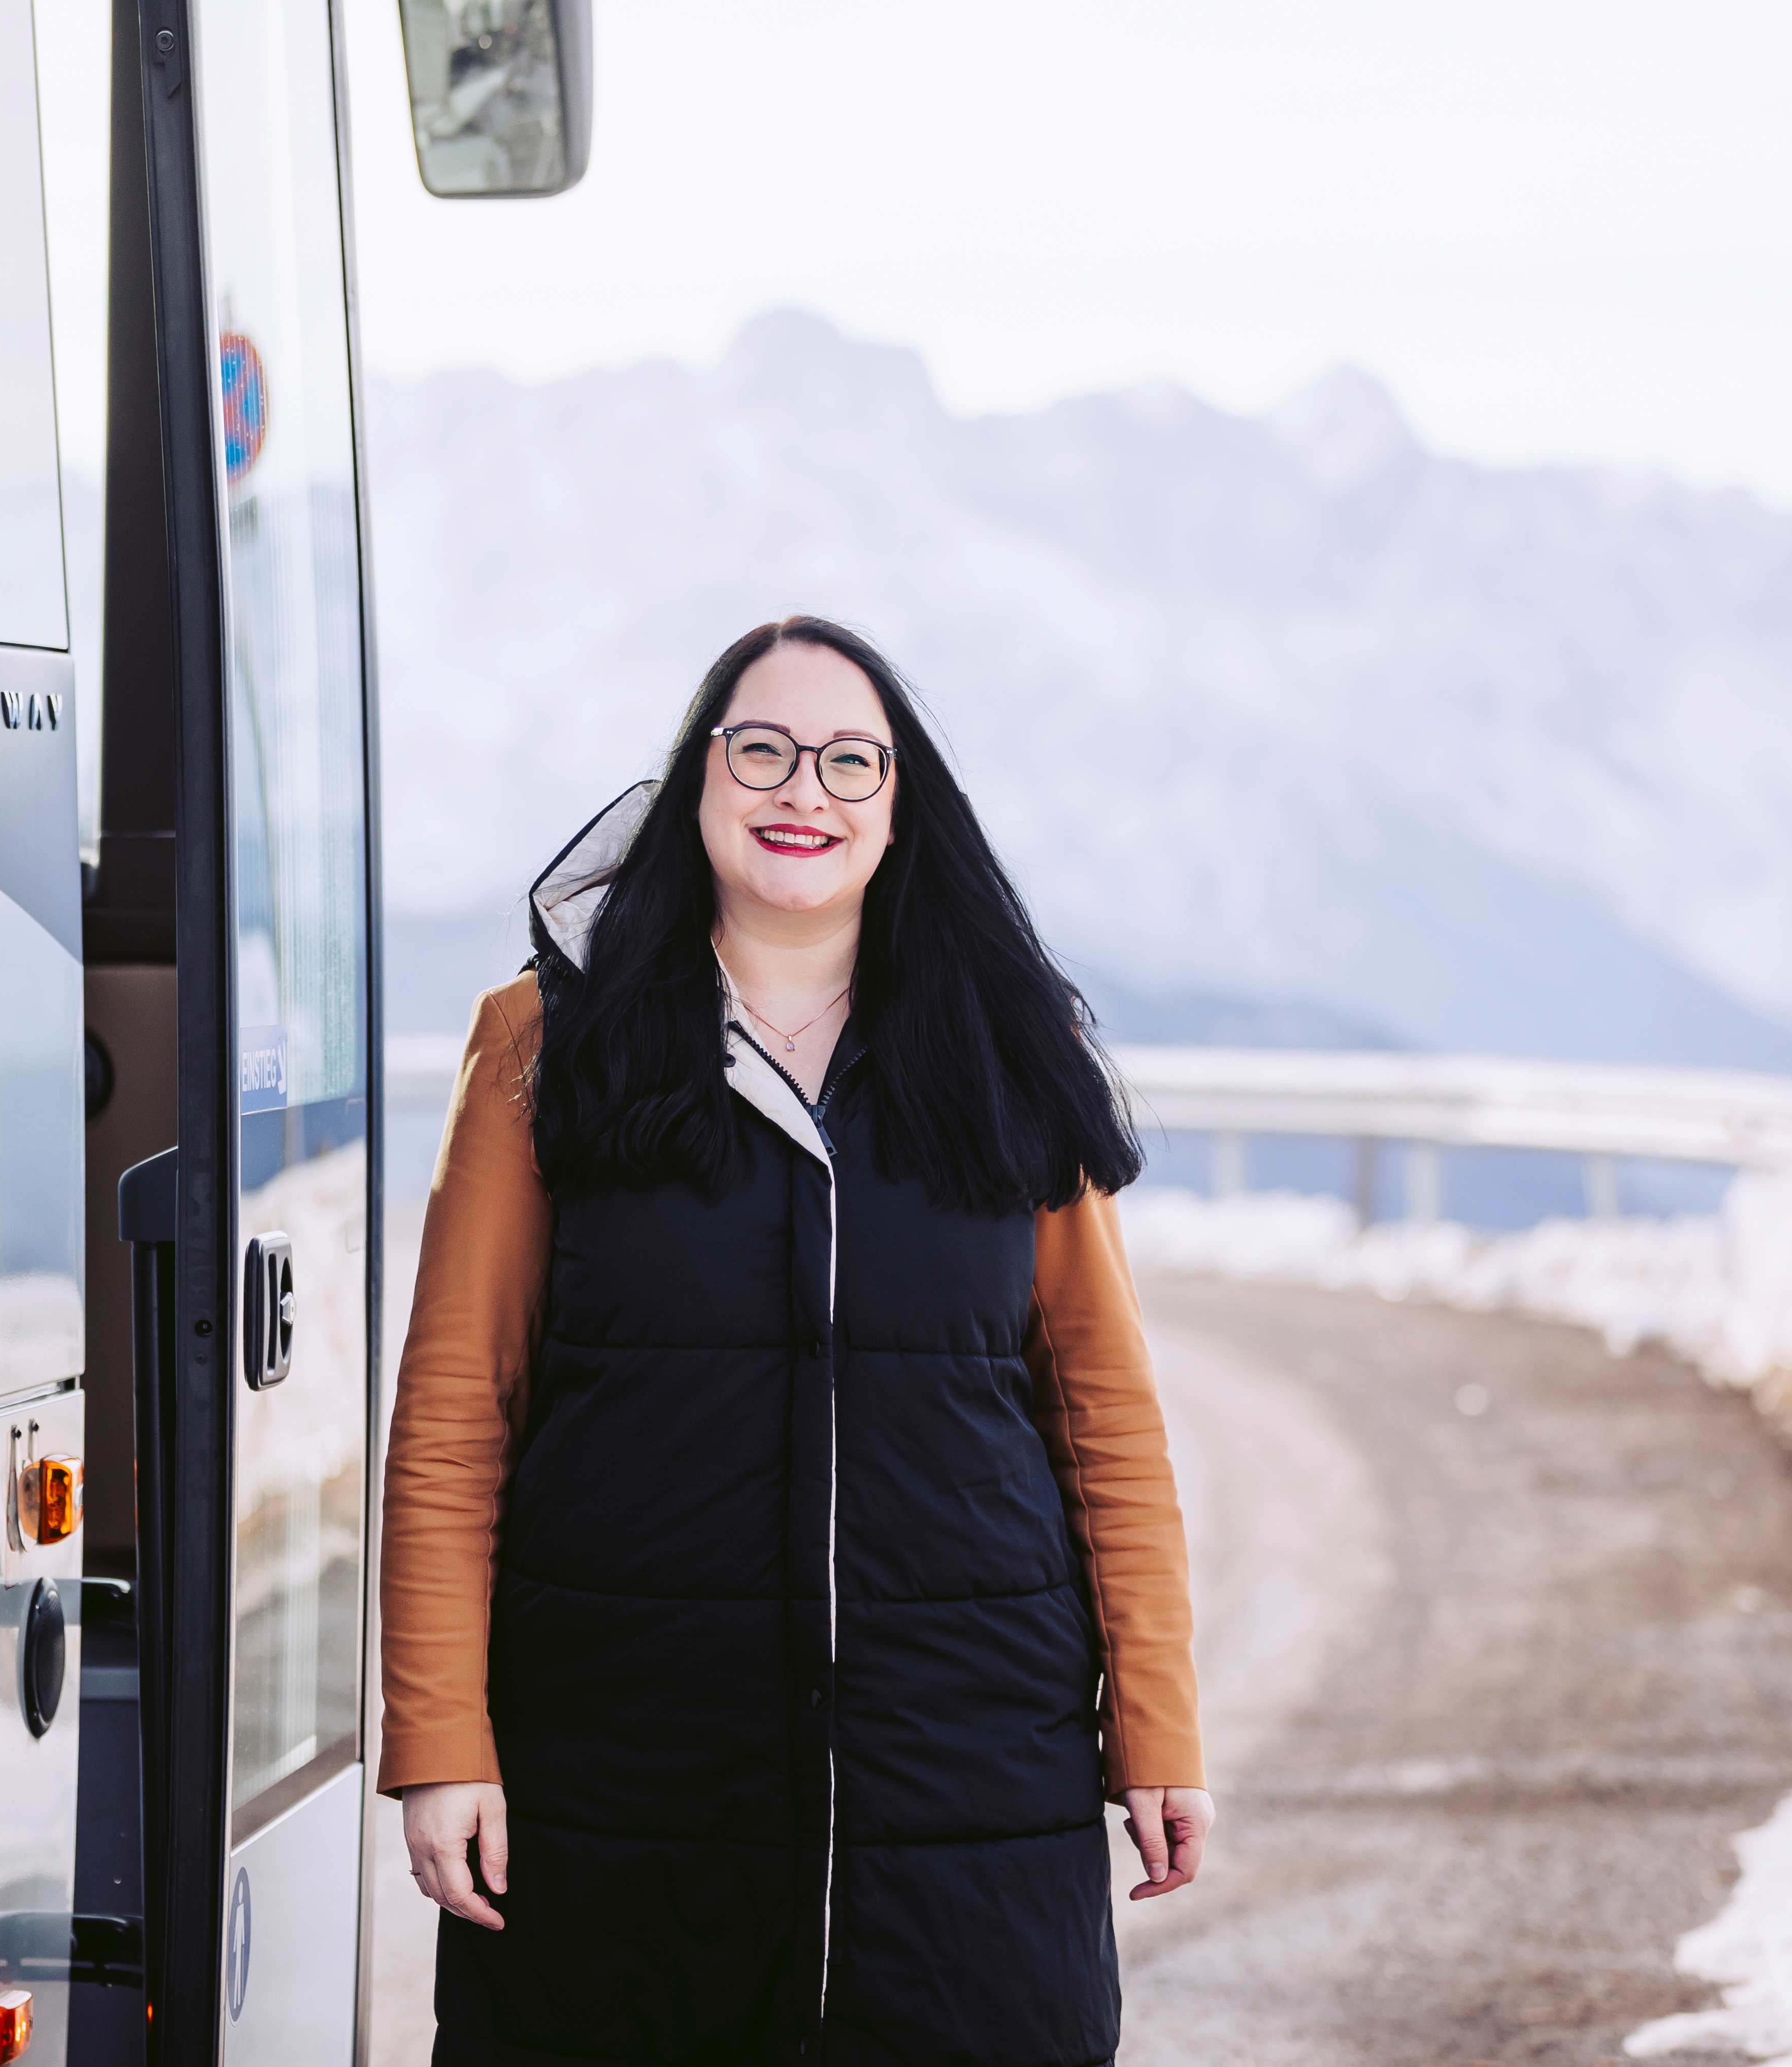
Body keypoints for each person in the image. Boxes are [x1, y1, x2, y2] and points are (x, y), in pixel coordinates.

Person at [380, 616, 1210, 2064]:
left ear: (902, 807)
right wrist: (442, 1738)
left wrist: (1157, 1723)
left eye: (849, 760)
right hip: (624, 1783)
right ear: (699, 778)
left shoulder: (1009, 1054)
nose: (801, 791)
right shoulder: (542, 1044)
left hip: (965, 1793)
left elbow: (1105, 1416)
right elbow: (458, 1414)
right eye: (761, 747)